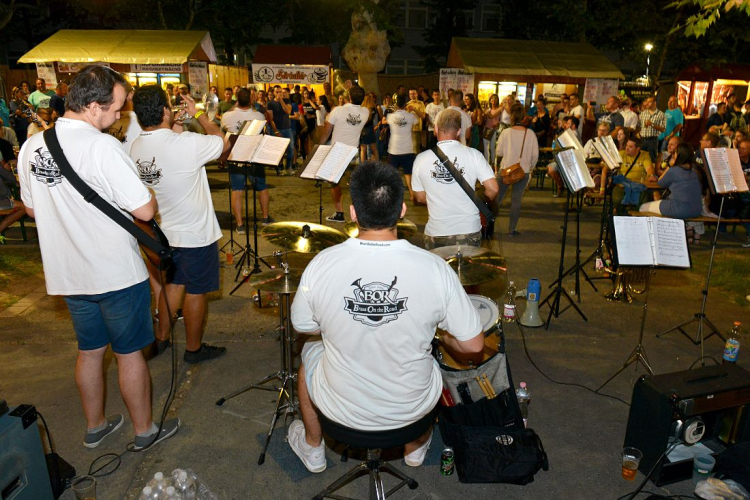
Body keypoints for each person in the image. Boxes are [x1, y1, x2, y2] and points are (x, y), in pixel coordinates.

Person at [17, 65, 179, 449]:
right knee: (128, 354)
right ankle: (144, 432)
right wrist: (150, 197)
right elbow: (143, 211)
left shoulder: (32, 146)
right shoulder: (102, 146)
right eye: (117, 108)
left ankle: (96, 427)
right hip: (115, 272)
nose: (121, 115)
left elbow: (32, 210)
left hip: (67, 272)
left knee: (89, 352)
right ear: (93, 107)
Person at [287, 161, 484, 473]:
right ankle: (415, 447)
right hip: (410, 416)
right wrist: (442, 336)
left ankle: (314, 447)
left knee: (310, 351)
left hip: (341, 418)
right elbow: (473, 346)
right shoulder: (435, 268)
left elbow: (303, 325)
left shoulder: (321, 264)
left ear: (353, 212)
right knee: (431, 356)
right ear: (402, 210)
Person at [131, 85, 229, 364]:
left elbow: (169, 142)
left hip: (161, 234)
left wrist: (174, 123)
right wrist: (200, 114)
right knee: (196, 291)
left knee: (172, 285)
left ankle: (161, 339)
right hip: (195, 233)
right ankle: (194, 349)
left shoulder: (137, 145)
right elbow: (223, 142)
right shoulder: (186, 144)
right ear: (164, 110)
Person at [412, 109, 499, 249]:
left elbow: (420, 197)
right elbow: (493, 189)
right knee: (465, 270)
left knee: (439, 270)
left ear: (435, 128)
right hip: (468, 230)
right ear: (459, 131)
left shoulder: (421, 159)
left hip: (437, 231)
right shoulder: (474, 155)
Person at [220, 88, 273, 231]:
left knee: (237, 190)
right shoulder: (259, 116)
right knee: (262, 188)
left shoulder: (227, 116)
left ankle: (240, 225)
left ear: (236, 99)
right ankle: (265, 218)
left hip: (235, 157)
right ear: (251, 99)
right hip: (253, 156)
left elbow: (224, 130)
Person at [318, 84, 369, 222]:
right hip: (354, 153)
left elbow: (326, 132)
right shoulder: (365, 112)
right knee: (354, 184)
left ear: (349, 97)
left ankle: (339, 213)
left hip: (337, 152)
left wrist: (319, 147)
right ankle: (358, 214)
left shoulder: (338, 111)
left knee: (335, 183)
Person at [494, 103, 539, 235]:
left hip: (505, 171)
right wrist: (529, 168)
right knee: (516, 200)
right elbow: (535, 155)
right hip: (522, 171)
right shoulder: (530, 134)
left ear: (512, 117)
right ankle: (512, 229)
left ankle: (489, 226)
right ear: (524, 117)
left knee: (497, 199)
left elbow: (499, 152)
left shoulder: (505, 132)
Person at [639, 143, 702, 219]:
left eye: (675, 153)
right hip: (696, 210)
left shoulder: (674, 170)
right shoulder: (694, 171)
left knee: (643, 208)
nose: (672, 155)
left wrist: (669, 166)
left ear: (678, 155)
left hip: (679, 208)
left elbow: (660, 183)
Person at [386, 94, 419, 202]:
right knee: (408, 173)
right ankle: (411, 194)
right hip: (407, 149)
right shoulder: (410, 116)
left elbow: (384, 121)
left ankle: (392, 196)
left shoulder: (391, 117)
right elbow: (418, 121)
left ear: (396, 104)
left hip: (394, 149)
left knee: (392, 174)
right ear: (405, 104)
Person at [613, 137, 654, 214]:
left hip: (638, 185)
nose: (627, 148)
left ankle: (635, 219)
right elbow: (611, 165)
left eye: (630, 147)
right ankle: (622, 217)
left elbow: (649, 168)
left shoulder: (644, 155)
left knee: (642, 201)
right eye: (627, 146)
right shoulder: (621, 154)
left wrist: (650, 175)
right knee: (618, 199)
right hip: (622, 185)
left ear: (638, 149)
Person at [268, 86, 295, 174]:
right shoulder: (270, 103)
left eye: (280, 92)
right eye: (277, 92)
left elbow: (288, 111)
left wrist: (281, 101)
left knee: (291, 148)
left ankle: (288, 166)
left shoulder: (287, 101)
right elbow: (271, 118)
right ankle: (279, 166)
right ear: (273, 93)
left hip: (287, 128)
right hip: (277, 128)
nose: (279, 94)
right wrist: (275, 131)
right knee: (278, 149)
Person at [638, 96, 666, 162]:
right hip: (642, 139)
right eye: (646, 102)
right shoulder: (642, 114)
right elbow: (638, 125)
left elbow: (663, 129)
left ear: (655, 103)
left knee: (652, 158)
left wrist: (652, 125)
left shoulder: (661, 114)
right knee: (640, 157)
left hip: (652, 140)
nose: (647, 103)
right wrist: (638, 133)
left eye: (649, 102)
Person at [482, 94, 502, 165]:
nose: (493, 100)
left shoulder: (499, 109)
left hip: (494, 130)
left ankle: (493, 163)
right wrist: (484, 115)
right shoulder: (488, 109)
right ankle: (486, 163)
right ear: (490, 100)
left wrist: (498, 124)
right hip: (487, 128)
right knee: (485, 147)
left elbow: (494, 117)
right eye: (492, 98)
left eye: (495, 99)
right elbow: (484, 119)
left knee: (492, 147)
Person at [359, 93, 379, 162]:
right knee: (374, 148)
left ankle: (362, 165)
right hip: (370, 129)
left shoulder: (362, 109)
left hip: (363, 129)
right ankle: (377, 162)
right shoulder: (373, 108)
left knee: (363, 149)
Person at [406, 88, 426, 154]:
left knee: (416, 148)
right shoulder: (406, 104)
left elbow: (423, 116)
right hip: (408, 129)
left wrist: (414, 109)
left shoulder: (421, 103)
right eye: (410, 94)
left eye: (414, 93)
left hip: (417, 129)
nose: (412, 95)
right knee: (411, 148)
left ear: (417, 94)